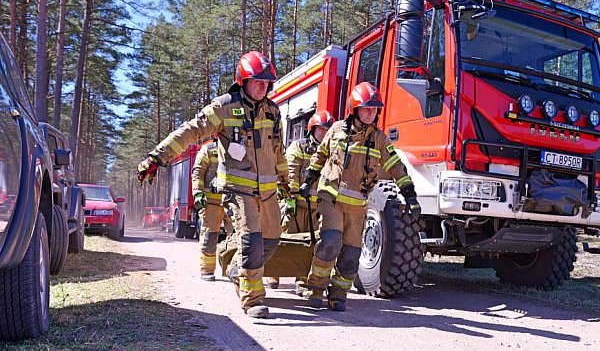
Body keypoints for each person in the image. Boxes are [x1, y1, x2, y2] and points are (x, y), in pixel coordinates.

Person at [137, 51, 289, 319]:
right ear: (242, 81)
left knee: (272, 241)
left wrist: (285, 181)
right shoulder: (223, 107)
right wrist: (157, 157)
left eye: (267, 82)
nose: (263, 86)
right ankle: (253, 300)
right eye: (257, 81)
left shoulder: (273, 111)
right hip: (237, 191)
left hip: (267, 194)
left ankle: (236, 270)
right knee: (251, 241)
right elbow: (190, 131)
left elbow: (278, 151)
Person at [298, 82, 420, 311]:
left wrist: (410, 195)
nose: (371, 112)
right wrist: (308, 179)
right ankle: (315, 288)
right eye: (366, 108)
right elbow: (320, 155)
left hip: (357, 205)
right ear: (354, 109)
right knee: (331, 243)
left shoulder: (380, 139)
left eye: (374, 109)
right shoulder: (335, 130)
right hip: (331, 196)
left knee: (352, 254)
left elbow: (396, 167)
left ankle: (338, 294)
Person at [268, 110, 334, 295]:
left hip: (317, 208)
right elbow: (291, 172)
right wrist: (290, 199)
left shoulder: (332, 152)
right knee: (284, 240)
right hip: (295, 206)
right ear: (312, 129)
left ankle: (302, 283)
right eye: (321, 129)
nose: (324, 133)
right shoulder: (300, 146)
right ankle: (273, 272)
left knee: (310, 247)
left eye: (328, 130)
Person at [191, 137, 234, 281]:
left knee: (238, 237)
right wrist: (197, 193)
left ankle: (233, 269)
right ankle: (207, 270)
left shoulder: (238, 149)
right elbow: (198, 172)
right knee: (210, 236)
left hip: (233, 201)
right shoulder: (208, 150)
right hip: (212, 202)